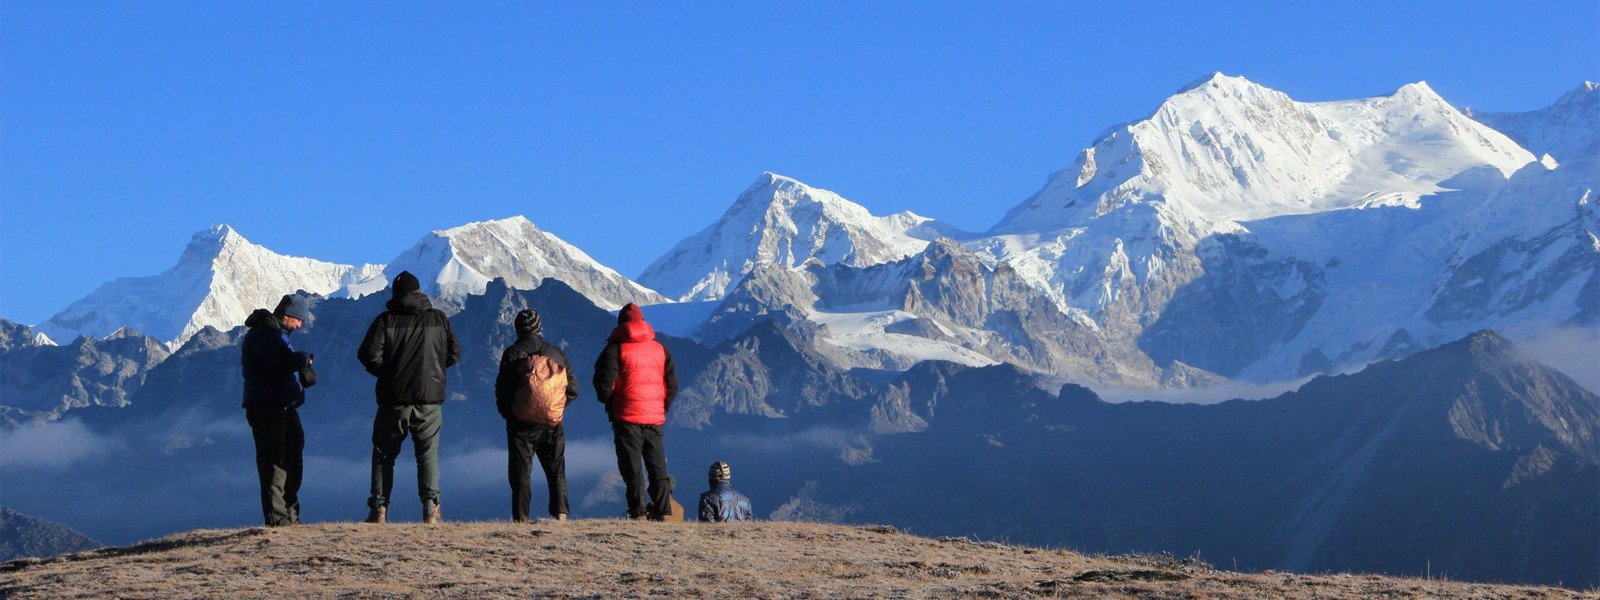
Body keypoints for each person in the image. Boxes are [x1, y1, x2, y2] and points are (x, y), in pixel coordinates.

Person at [357, 271, 460, 524]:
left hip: (394, 400)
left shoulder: (386, 320)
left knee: (384, 455)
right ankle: (431, 510)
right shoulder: (439, 319)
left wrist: (388, 374)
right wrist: (433, 372)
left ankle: (378, 511)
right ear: (419, 292)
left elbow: (367, 355)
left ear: (396, 294)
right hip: (430, 400)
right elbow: (454, 353)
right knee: (427, 454)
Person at [593, 302, 678, 521]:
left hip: (626, 417)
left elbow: (603, 389)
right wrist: (661, 406)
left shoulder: (614, 350)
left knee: (632, 469)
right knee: (657, 465)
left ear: (620, 324)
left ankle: (638, 512)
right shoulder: (660, 349)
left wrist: (614, 402)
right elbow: (672, 385)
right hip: (654, 417)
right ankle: (664, 511)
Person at [495, 309, 578, 522]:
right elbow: (573, 389)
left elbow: (503, 390)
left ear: (517, 329)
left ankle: (521, 517)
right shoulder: (557, 354)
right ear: (539, 327)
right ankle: (561, 514)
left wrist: (509, 413)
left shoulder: (513, 354)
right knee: (556, 468)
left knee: (521, 472)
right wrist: (556, 407)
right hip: (552, 423)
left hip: (520, 425)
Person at [241, 294, 315, 527]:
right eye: (298, 320)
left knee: (291, 462)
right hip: (268, 409)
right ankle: (278, 519)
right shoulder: (264, 333)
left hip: (284, 407)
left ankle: (290, 516)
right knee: (274, 464)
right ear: (287, 315)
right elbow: (279, 361)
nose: (300, 325)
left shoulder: (278, 335)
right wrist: (301, 360)